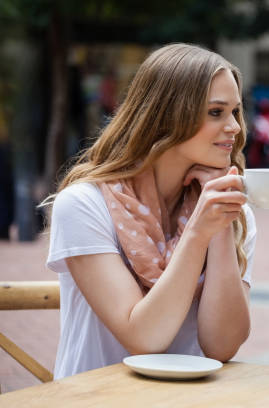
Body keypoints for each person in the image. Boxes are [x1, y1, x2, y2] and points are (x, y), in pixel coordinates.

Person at [43, 43, 256, 379]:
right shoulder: (84, 205)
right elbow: (144, 336)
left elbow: (222, 345)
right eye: (216, 112)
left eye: (235, 112)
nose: (235, 127)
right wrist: (199, 233)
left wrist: (218, 229)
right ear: (168, 115)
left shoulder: (230, 210)